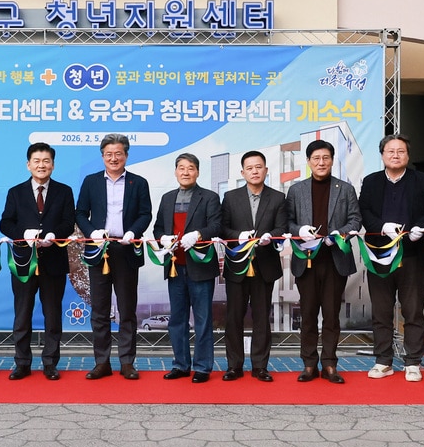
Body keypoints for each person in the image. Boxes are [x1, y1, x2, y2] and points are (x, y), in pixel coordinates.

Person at [357, 134, 424, 383]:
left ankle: (413, 361)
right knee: (381, 312)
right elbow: (364, 211)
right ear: (382, 155)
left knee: (413, 311)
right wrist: (382, 227)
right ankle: (383, 361)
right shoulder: (371, 181)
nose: (395, 155)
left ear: (407, 155)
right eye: (390, 151)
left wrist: (420, 227)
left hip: (413, 255)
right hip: (380, 255)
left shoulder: (422, 180)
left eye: (400, 151)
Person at [75, 133, 153, 381]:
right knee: (99, 310)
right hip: (99, 250)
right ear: (102, 157)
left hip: (126, 249)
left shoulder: (138, 182)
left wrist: (133, 231)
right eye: (109, 154)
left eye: (118, 153)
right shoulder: (91, 181)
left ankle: (127, 362)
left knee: (127, 309)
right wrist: (91, 233)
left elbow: (145, 213)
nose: (113, 158)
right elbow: (79, 213)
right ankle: (102, 362)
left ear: (126, 155)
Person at [285, 139, 362, 384]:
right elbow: (287, 222)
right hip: (306, 260)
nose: (321, 162)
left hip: (334, 259)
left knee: (331, 315)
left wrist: (338, 234)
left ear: (332, 160)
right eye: (316, 158)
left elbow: (355, 220)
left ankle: (329, 364)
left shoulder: (345, 189)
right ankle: (309, 364)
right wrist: (300, 230)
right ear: (308, 161)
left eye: (326, 158)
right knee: (307, 315)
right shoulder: (296, 190)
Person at [0, 143, 75, 381]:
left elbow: (68, 220)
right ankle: (22, 363)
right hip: (24, 263)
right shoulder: (15, 192)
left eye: (46, 161)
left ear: (53, 164)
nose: (42, 165)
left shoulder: (64, 191)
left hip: (53, 262)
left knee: (53, 315)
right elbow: (5, 223)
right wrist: (24, 234)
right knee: (22, 315)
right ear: (28, 164)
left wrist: (53, 234)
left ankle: (50, 363)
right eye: (37, 161)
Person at [152, 153, 222, 383]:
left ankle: (202, 367)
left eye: (190, 168)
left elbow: (217, 225)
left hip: (200, 266)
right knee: (177, 319)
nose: (185, 172)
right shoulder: (167, 197)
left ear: (197, 172)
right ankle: (180, 364)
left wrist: (199, 234)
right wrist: (162, 238)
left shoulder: (209, 197)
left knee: (202, 318)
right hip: (175, 266)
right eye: (181, 168)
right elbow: (157, 228)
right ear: (175, 171)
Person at [220, 150, 288, 382]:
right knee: (233, 318)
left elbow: (282, 227)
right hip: (237, 265)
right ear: (243, 172)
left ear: (266, 170)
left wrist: (271, 236)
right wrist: (238, 236)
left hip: (264, 265)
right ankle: (234, 366)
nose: (255, 171)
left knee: (261, 318)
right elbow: (223, 228)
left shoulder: (278, 198)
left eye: (259, 167)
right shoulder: (230, 197)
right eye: (250, 168)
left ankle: (260, 366)